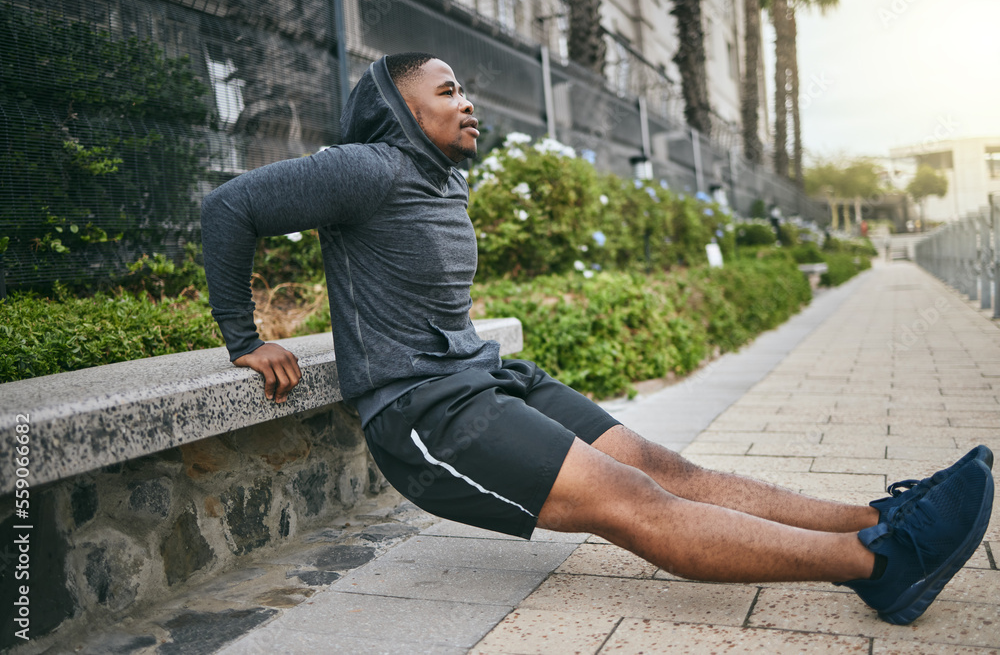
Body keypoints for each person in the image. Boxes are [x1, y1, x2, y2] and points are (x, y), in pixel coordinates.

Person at [201, 52, 994, 626]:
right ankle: (884, 564)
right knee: (634, 501)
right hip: (424, 412)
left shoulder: (436, 176)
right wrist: (245, 335)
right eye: (448, 91)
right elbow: (229, 207)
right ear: (403, 109)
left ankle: (865, 519)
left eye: (466, 89)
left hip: (484, 378)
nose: (469, 101)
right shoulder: (366, 166)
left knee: (664, 464)